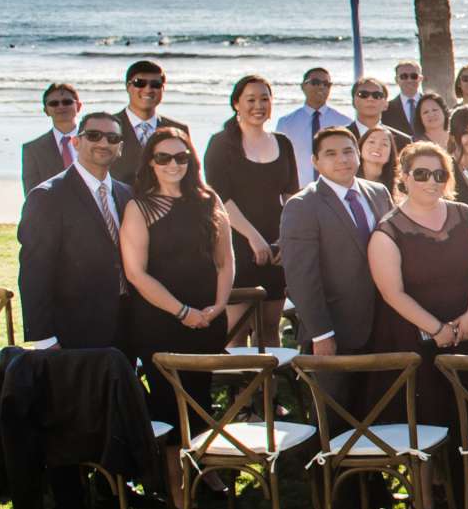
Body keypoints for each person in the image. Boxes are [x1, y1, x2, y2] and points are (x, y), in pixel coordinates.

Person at [369, 141, 468, 509]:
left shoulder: (465, 214)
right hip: (416, 336)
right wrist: (436, 328)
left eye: (439, 174)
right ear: (404, 177)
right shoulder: (387, 231)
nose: (431, 181)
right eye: (421, 174)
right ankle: (423, 502)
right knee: (426, 416)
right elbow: (391, 292)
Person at [120, 127, 233, 422]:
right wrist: (182, 312)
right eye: (164, 157)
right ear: (151, 163)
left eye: (181, 157)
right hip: (159, 321)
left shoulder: (210, 201)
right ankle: (172, 467)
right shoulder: (139, 207)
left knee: (201, 398)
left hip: (207, 319)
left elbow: (225, 261)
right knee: (168, 404)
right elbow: (135, 273)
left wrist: (219, 306)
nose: (173, 164)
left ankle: (205, 465)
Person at [18, 109, 131, 351]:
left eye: (112, 139)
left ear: (120, 148)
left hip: (126, 326)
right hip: (73, 329)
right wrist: (44, 338)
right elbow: (34, 270)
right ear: (76, 142)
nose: (103, 143)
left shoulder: (127, 194)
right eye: (94, 135)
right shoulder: (47, 196)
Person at [278, 124, 390, 365]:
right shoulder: (303, 205)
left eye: (348, 151)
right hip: (334, 330)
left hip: (383, 325)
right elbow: (301, 278)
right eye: (331, 154)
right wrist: (321, 333)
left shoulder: (379, 193)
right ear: (315, 161)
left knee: (382, 400)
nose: (342, 159)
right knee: (335, 402)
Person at [203, 75, 299, 333]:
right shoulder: (220, 143)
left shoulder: (283, 143)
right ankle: (237, 375)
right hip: (236, 242)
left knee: (269, 328)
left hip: (276, 244)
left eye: (265, 99)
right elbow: (220, 198)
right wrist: (254, 238)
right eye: (251, 99)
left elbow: (291, 196)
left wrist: (284, 239)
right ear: (236, 104)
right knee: (236, 328)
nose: (259, 105)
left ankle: (272, 375)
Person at [112, 59, 186, 188]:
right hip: (119, 204)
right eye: (139, 83)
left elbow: (189, 175)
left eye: (155, 84)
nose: (148, 89)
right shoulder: (108, 128)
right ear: (128, 87)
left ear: (163, 89)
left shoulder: (178, 130)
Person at [275, 66, 352, 187]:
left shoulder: (344, 122)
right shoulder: (286, 123)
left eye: (326, 84)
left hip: (335, 189)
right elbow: (280, 163)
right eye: (315, 82)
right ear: (303, 86)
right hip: (299, 189)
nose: (321, 87)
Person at [21, 82, 82, 192]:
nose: (61, 106)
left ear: (78, 106)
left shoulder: (97, 140)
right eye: (54, 103)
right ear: (46, 110)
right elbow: (32, 194)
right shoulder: (33, 150)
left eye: (67, 102)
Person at [347, 77, 411, 159]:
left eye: (377, 95)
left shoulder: (403, 141)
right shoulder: (339, 138)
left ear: (386, 104)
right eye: (363, 95)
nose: (370, 99)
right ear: (353, 102)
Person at [384, 62, 426, 135]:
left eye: (414, 76)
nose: (409, 80)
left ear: (420, 79)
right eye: (404, 76)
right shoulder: (386, 109)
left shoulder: (432, 105)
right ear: (396, 79)